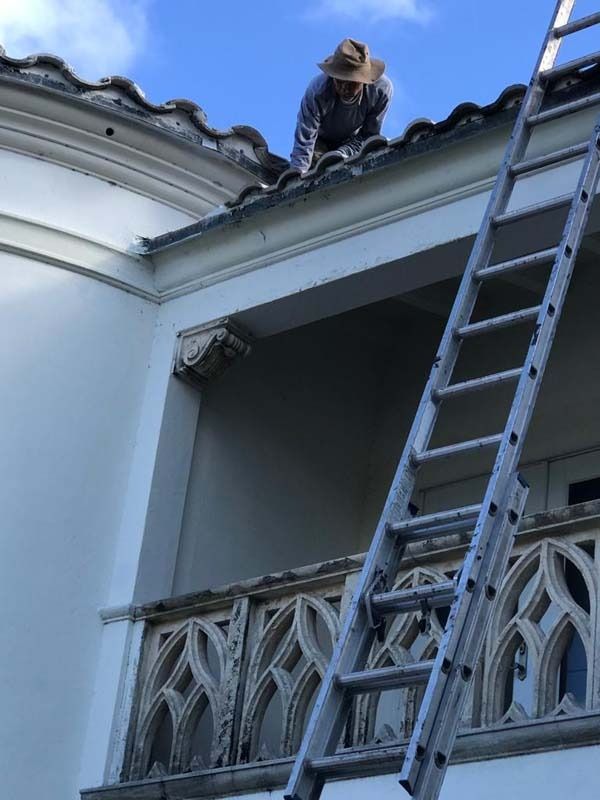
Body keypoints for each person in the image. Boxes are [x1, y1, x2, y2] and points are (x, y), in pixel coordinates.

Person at [290, 38, 393, 173]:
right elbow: (304, 142)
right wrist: (297, 177)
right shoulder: (317, 91)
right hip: (318, 143)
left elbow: (368, 136)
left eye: (351, 83)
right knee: (314, 171)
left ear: (363, 80)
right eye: (339, 81)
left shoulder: (380, 91)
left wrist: (340, 154)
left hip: (354, 142)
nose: (344, 88)